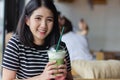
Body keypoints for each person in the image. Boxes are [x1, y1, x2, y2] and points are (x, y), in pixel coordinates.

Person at [2, 0, 73, 80]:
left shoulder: (60, 47)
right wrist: (41, 77)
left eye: (49, 20)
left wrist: (64, 77)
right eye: (38, 18)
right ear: (27, 20)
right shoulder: (16, 44)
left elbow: (70, 78)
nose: (43, 25)